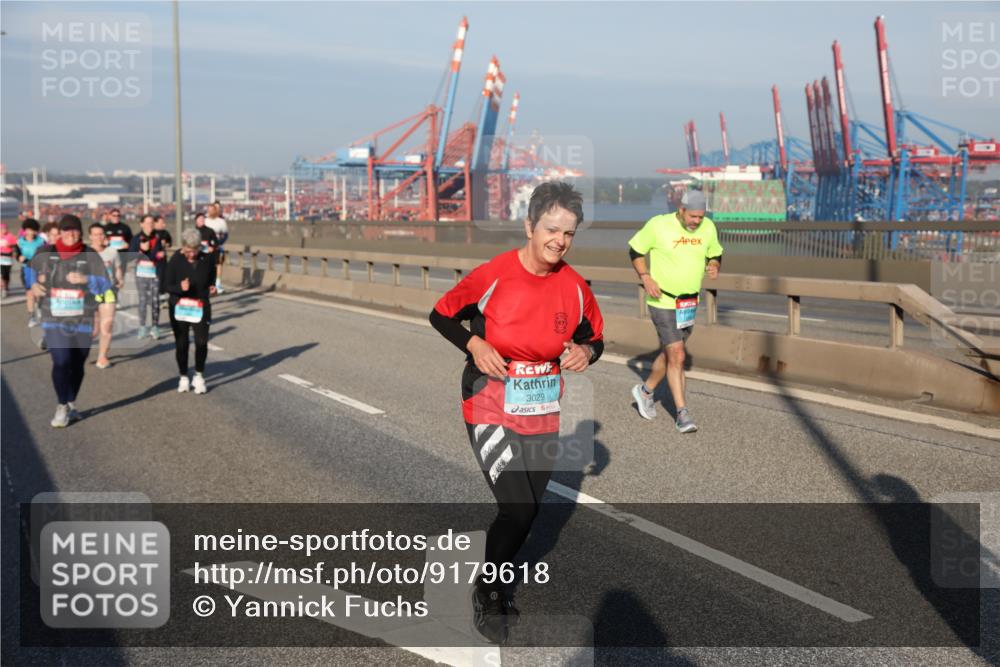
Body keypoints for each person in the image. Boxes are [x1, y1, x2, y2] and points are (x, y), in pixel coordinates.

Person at [429, 182, 604, 644]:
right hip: (488, 400)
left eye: (568, 233)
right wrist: (474, 341)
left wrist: (586, 352)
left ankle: (496, 577)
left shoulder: (575, 287)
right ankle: (487, 594)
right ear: (530, 226)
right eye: (551, 229)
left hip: (542, 407)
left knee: (527, 513)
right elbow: (441, 314)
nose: (559, 241)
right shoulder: (493, 274)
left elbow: (595, 339)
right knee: (519, 506)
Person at [627, 189, 723, 433]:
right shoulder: (658, 225)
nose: (697, 221)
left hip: (688, 304)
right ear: (681, 209)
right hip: (662, 301)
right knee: (678, 354)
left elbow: (715, 253)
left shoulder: (708, 227)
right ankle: (682, 414)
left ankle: (645, 391)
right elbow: (635, 251)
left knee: (672, 354)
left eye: (701, 217)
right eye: (693, 217)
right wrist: (646, 277)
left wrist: (713, 265)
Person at [29, 214, 114, 427]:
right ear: (60, 232)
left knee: (78, 363)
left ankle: (70, 402)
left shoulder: (90, 254)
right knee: (61, 360)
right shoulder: (46, 252)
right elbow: (30, 273)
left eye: (74, 229)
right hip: (54, 317)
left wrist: (86, 279)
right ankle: (60, 405)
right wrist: (33, 285)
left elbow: (105, 285)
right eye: (66, 229)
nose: (70, 233)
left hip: (83, 318)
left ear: (80, 232)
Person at [164, 228, 217, 394]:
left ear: (199, 247)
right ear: (183, 246)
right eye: (188, 251)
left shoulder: (207, 259)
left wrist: (212, 288)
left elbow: (212, 277)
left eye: (194, 251)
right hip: (180, 306)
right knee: (182, 343)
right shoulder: (176, 260)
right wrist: (179, 287)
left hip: (200, 305)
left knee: (201, 342)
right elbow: (166, 285)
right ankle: (183, 377)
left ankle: (199, 376)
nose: (191, 254)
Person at [88, 223, 123, 369]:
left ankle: (102, 357)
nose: (99, 237)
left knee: (107, 326)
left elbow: (117, 269)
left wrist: (120, 280)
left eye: (101, 234)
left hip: (108, 292)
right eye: (95, 234)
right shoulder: (85, 252)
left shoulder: (112, 252)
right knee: (93, 331)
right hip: (89, 292)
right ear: (90, 236)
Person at [128, 214, 167, 339]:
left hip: (154, 273)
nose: (150, 225)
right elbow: (130, 256)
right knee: (143, 300)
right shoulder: (136, 239)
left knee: (155, 300)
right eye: (148, 222)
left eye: (152, 223)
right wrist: (141, 251)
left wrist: (162, 254)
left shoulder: (158, 237)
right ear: (141, 224)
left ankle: (155, 327)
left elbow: (159, 253)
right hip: (141, 273)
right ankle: (142, 327)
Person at [16, 218, 46, 325]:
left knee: (40, 292)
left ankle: (40, 308)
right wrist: (19, 257)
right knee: (29, 293)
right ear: (25, 230)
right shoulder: (20, 242)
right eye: (28, 230)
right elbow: (17, 255)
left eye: (33, 230)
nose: (30, 232)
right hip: (27, 269)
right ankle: (31, 316)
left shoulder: (41, 241)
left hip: (39, 269)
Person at [204, 202, 228, 293]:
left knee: (218, 264)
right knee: (207, 266)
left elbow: (225, 234)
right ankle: (207, 283)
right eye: (209, 210)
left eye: (212, 210)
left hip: (218, 247)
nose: (210, 212)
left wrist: (220, 243)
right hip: (206, 248)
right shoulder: (205, 221)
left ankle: (217, 284)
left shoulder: (221, 222)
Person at [0, 223, 16, 298]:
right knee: (2, 274)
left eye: (5, 229)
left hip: (8, 258)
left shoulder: (10, 236)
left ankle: (6, 287)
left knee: (7, 274)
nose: (4, 230)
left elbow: (15, 245)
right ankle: (3, 289)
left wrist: (10, 245)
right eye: (2, 229)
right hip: (1, 258)